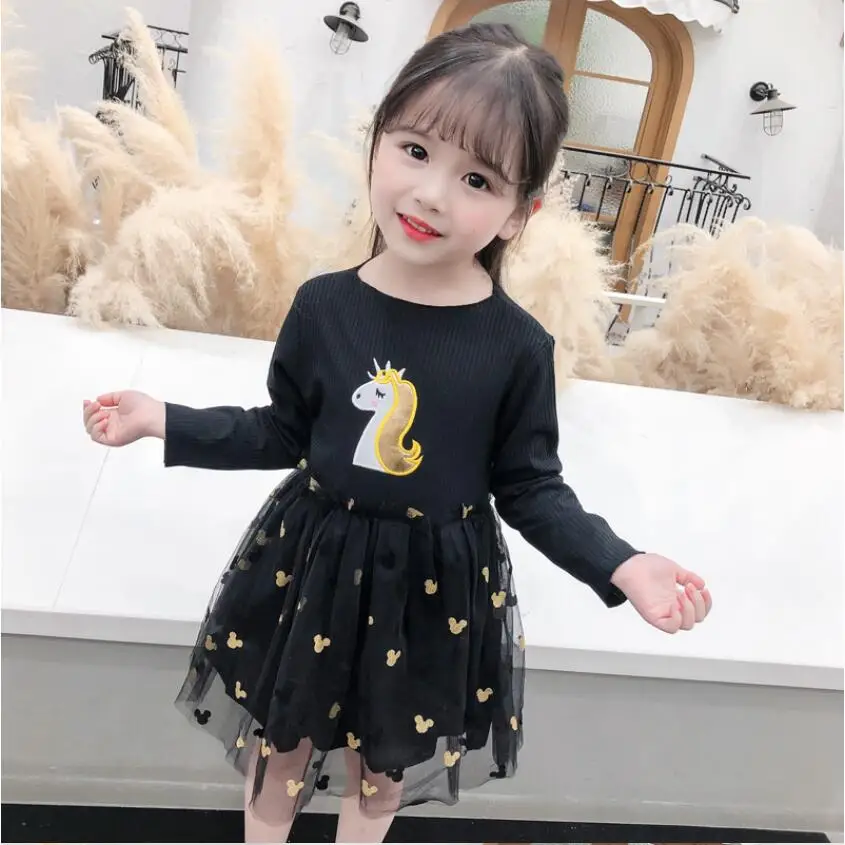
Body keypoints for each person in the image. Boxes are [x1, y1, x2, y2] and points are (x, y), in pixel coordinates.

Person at [82, 22, 712, 844]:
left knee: (382, 766)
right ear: (376, 142)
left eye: (476, 178)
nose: (431, 194)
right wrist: (162, 419)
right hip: (311, 566)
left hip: (431, 592)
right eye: (415, 151)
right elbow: (281, 431)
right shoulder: (323, 306)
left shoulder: (515, 346)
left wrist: (619, 562)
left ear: (520, 213)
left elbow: (530, 487)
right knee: (280, 748)